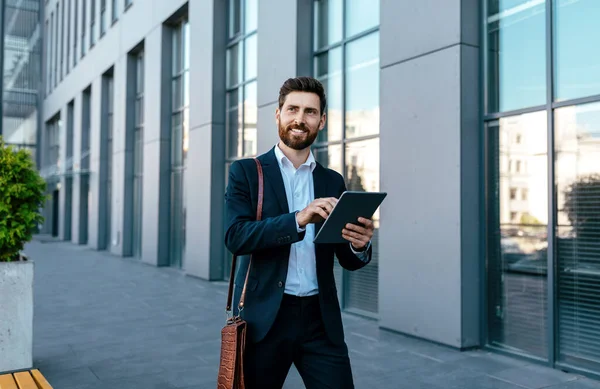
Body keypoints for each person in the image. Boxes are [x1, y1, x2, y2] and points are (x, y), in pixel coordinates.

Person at [224, 76, 375, 389]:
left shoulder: (333, 181)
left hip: (321, 322)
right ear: (278, 114)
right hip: (265, 320)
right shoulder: (247, 172)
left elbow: (344, 255)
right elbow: (236, 237)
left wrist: (359, 246)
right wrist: (298, 219)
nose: (299, 118)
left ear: (321, 122)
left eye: (309, 112)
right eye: (292, 109)